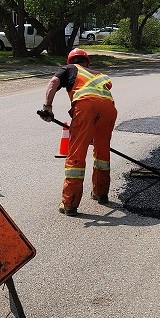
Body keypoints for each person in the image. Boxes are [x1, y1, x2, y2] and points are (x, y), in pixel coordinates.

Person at [40, 48, 117, 216]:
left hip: (86, 107)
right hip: (109, 109)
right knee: (102, 152)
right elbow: (100, 98)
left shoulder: (69, 69)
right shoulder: (97, 73)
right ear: (87, 62)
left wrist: (47, 107)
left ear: (71, 61)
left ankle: (69, 203)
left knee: (76, 154)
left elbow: (53, 83)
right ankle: (100, 193)